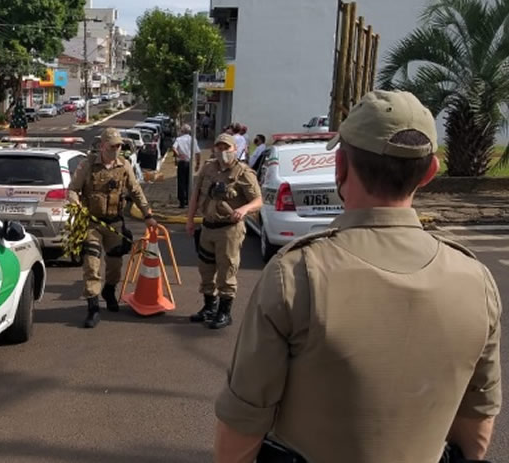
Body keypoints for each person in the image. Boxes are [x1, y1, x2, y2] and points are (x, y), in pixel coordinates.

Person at [213, 90, 502, 463]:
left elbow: (240, 432)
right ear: (429, 172)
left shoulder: (296, 275)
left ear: (341, 168)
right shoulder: (476, 281)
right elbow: (475, 431)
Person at [69, 128, 159, 329]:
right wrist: (75, 203)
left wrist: (148, 215)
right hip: (92, 222)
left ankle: (109, 291)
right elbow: (73, 190)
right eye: (112, 146)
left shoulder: (124, 166)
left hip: (114, 223)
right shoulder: (88, 165)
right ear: (102, 146)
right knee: (91, 263)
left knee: (115, 265)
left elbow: (136, 192)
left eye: (119, 146)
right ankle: (93, 307)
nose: (116, 150)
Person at [186, 133, 262, 329]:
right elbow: (196, 194)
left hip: (228, 229)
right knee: (206, 270)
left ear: (235, 149)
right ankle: (209, 308)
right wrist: (190, 220)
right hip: (207, 227)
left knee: (226, 270)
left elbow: (258, 201)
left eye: (226, 148)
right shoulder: (208, 168)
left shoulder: (243, 172)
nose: (223, 152)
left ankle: (224, 312)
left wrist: (243, 209)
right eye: (219, 148)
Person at [172, 124, 200, 208]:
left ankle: (182, 202)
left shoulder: (179, 139)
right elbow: (198, 152)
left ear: (182, 131)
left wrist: (178, 155)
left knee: (181, 182)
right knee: (189, 181)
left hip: (182, 162)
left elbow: (174, 148)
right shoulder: (193, 140)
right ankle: (188, 199)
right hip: (190, 162)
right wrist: (198, 163)